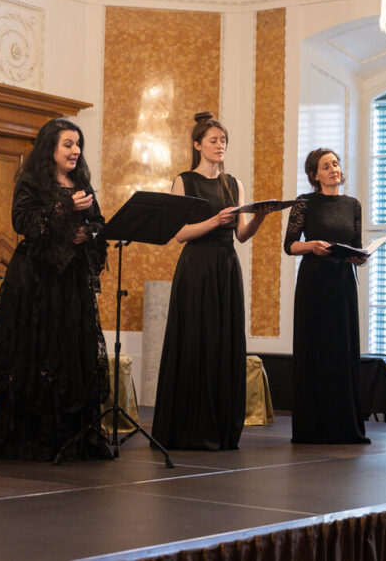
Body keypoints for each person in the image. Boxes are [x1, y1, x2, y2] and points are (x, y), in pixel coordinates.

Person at [0, 118, 111, 461]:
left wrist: (91, 233)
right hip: (36, 281)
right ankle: (33, 437)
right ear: (50, 149)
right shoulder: (32, 180)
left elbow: (98, 222)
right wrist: (66, 207)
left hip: (71, 283)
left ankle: (73, 435)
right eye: (68, 144)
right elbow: (23, 222)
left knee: (72, 350)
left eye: (77, 144)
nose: (75, 151)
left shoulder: (81, 182)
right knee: (36, 350)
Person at [152, 112, 279, 450]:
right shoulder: (184, 181)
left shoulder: (233, 183)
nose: (220, 145)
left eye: (223, 140)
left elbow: (241, 235)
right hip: (197, 267)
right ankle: (190, 427)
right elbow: (179, 234)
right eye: (213, 140)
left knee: (223, 343)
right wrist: (214, 220)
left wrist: (259, 219)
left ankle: (221, 426)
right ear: (197, 145)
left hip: (226, 267)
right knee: (196, 341)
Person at [283, 147, 370, 444]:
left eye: (336, 164)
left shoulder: (353, 204)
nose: (334, 169)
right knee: (315, 348)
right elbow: (290, 245)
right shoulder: (304, 203)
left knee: (341, 349)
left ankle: (344, 426)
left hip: (343, 282)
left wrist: (360, 258)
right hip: (314, 283)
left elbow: (356, 245)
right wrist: (312, 246)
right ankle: (312, 427)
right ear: (314, 175)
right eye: (326, 166)